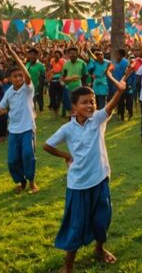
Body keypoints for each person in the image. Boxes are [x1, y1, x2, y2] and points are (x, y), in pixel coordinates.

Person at [43, 80, 127, 273]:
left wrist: (120, 92)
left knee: (102, 219)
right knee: (76, 225)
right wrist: (66, 156)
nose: (90, 105)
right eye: (84, 102)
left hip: (100, 179)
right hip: (78, 185)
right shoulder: (67, 129)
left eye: (92, 102)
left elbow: (110, 106)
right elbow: (47, 145)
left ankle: (99, 249)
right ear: (74, 107)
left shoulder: (97, 120)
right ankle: (68, 265)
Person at [0, 41, 39, 194]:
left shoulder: (28, 89)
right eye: (15, 76)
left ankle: (32, 182)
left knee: (28, 155)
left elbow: (27, 75)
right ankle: (21, 182)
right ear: (9, 79)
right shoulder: (9, 92)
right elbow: (0, 106)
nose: (19, 78)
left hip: (27, 128)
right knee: (13, 160)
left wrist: (11, 51)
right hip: (13, 130)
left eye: (20, 75)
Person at [61, 47, 87, 117]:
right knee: (71, 103)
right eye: (70, 53)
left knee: (79, 103)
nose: (72, 55)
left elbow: (85, 75)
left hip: (79, 87)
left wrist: (84, 86)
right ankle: (74, 117)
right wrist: (70, 79)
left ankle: (79, 116)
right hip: (69, 87)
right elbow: (63, 77)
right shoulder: (66, 64)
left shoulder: (82, 63)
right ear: (68, 55)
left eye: (74, 53)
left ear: (77, 54)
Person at [25, 47, 46, 112]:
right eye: (31, 54)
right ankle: (32, 111)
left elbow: (44, 75)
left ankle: (41, 108)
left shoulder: (40, 65)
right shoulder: (27, 64)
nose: (32, 56)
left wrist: (40, 85)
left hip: (37, 85)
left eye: (34, 54)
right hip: (28, 85)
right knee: (31, 99)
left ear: (37, 56)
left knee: (39, 98)